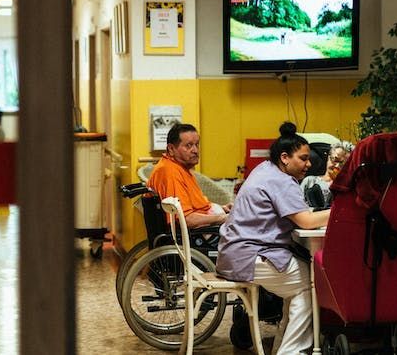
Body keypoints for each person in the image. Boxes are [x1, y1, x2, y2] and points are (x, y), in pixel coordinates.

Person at [217, 122, 331, 355]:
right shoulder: (280, 181)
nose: (309, 164)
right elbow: (307, 222)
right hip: (248, 256)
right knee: (313, 284)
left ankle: (284, 348)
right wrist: (341, 211)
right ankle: (289, 351)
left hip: (234, 252)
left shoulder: (265, 169)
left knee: (300, 285)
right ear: (285, 158)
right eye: (304, 158)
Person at [147, 123, 231, 229]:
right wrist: (223, 218)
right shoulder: (170, 172)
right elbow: (187, 219)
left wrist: (222, 209)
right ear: (171, 149)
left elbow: (197, 206)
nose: (195, 150)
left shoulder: (181, 167)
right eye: (188, 145)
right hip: (197, 234)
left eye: (197, 144)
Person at [299, 143, 350, 209]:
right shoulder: (310, 181)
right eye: (335, 160)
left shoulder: (347, 188)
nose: (337, 166)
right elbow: (297, 204)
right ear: (328, 158)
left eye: (343, 163)